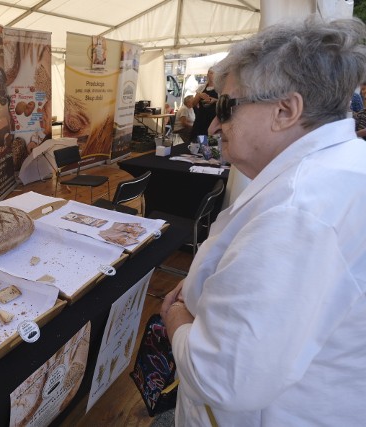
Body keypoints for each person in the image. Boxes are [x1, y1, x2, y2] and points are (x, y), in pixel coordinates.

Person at [161, 17, 366, 426]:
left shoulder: (297, 213)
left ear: (285, 110)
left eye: (226, 106)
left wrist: (177, 319)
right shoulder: (343, 168)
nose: (215, 124)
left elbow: (222, 378)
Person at [189, 67, 217, 141]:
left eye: (214, 73)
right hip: (201, 119)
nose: (212, 75)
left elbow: (224, 102)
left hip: (213, 119)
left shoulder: (220, 88)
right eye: (210, 73)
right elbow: (192, 104)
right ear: (207, 74)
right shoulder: (201, 88)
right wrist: (199, 95)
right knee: (197, 142)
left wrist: (215, 100)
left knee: (212, 143)